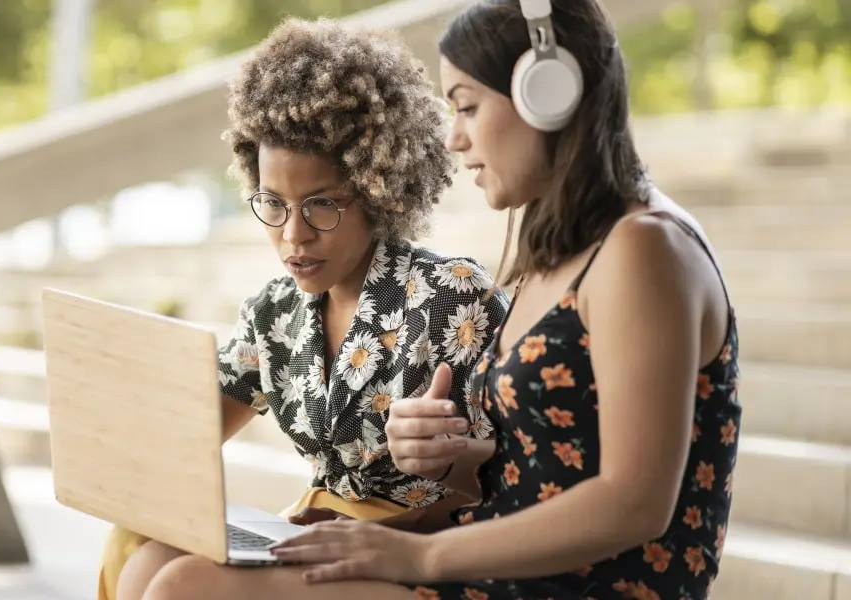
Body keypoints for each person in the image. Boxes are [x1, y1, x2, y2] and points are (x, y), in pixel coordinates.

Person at [136, 1, 742, 599]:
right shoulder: (559, 251)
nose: (454, 138)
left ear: (548, 95)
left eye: (468, 107)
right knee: (155, 563)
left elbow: (634, 504)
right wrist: (439, 467)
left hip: (568, 587)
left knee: (187, 587)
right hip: (492, 562)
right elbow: (527, 475)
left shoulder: (643, 248)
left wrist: (417, 552)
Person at [99, 16, 510, 600]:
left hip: (422, 555)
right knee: (142, 556)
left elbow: (518, 476)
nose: (294, 236)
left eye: (321, 206)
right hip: (316, 537)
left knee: (182, 585)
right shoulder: (273, 315)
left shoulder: (452, 296)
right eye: (272, 203)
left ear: (378, 189)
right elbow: (180, 444)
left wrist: (447, 458)